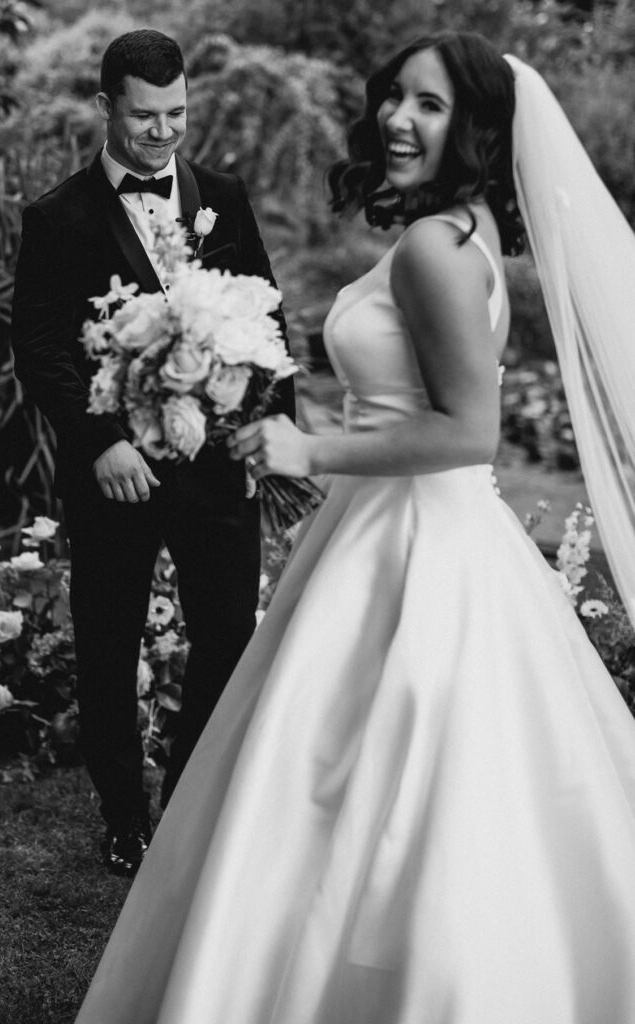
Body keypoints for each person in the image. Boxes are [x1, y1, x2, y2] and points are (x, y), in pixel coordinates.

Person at [74, 30, 635, 1023]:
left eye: (429, 104)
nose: (396, 118)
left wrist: (311, 449)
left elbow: (466, 432)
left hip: (415, 544)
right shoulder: (459, 229)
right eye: (395, 96)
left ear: (478, 129)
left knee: (358, 773)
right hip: (398, 529)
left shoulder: (432, 250)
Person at [10, 28, 294, 877]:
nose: (163, 131)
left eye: (176, 113)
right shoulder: (57, 217)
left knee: (227, 637)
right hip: (117, 475)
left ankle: (186, 804)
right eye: (144, 116)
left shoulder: (223, 198)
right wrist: (99, 442)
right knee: (108, 644)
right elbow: (41, 348)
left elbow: (267, 316)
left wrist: (269, 433)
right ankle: (124, 819)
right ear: (106, 107)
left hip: (217, 469)